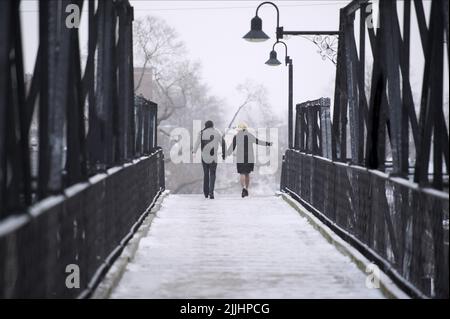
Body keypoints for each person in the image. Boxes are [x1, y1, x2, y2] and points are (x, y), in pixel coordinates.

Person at [225, 123, 272, 198]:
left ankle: (243, 188)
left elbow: (232, 147)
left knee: (242, 173)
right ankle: (246, 189)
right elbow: (258, 141)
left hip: (240, 157)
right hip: (249, 157)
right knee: (247, 174)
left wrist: (226, 154)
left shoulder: (236, 137)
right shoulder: (249, 135)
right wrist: (267, 143)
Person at [192, 120, 225, 199]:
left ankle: (206, 192)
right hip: (213, 156)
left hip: (204, 156)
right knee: (212, 174)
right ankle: (211, 192)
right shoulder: (217, 132)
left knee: (206, 173)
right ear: (212, 125)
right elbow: (223, 143)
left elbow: (197, 143)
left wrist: (194, 152)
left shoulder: (202, 132)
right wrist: (224, 153)